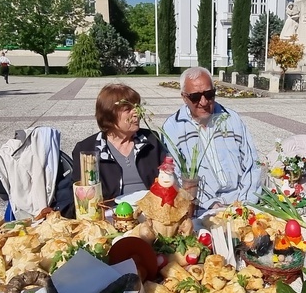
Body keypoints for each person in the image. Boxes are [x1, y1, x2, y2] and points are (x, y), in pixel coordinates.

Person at [162, 67, 262, 212]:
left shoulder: (231, 119)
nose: (203, 102)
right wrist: (210, 204)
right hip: (201, 207)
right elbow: (175, 176)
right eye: (195, 97)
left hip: (241, 201)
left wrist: (245, 203)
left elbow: (252, 163)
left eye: (209, 94)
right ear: (184, 97)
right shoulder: (173, 128)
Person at [70, 84, 167, 209]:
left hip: (151, 212)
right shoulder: (88, 150)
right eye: (128, 109)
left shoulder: (151, 141)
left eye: (137, 107)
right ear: (109, 114)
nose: (136, 113)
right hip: (111, 215)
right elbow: (80, 197)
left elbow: (168, 180)